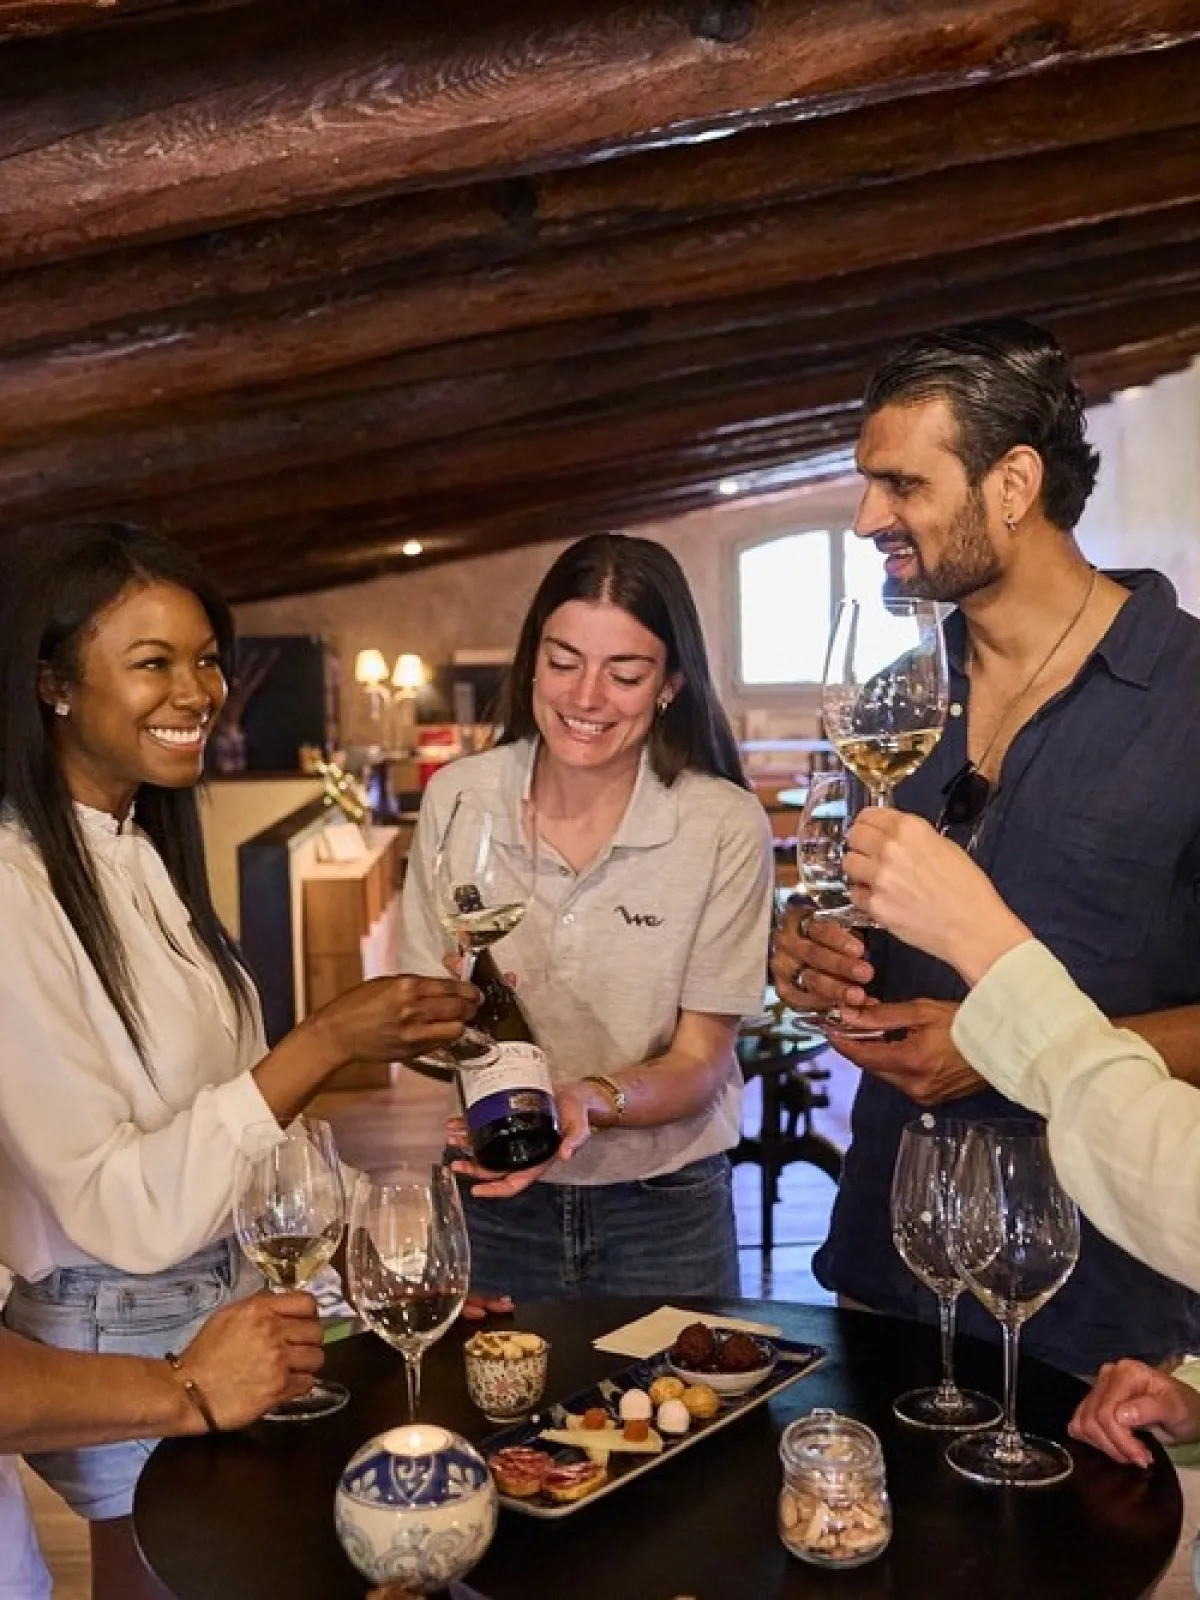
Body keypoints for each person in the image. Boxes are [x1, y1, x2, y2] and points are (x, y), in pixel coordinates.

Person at [0, 522, 479, 1600]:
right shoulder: (15, 886)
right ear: (54, 686)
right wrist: (330, 1041)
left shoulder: (139, 850)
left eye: (207, 655)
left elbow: (228, 1105)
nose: (200, 689)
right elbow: (116, 1203)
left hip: (220, 1289)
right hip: (117, 1325)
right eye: (154, 661)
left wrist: (360, 1226)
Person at [770, 318, 1200, 1377]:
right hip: (886, 1264)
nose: (869, 516)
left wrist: (1004, 1043)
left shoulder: (1188, 696)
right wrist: (808, 960)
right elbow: (848, 913)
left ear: (1013, 483)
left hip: (1095, 1312)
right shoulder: (891, 706)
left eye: (902, 485)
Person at [398, 533, 774, 1301]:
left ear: (669, 682)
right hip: (497, 1194)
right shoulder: (460, 798)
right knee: (502, 1420)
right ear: (533, 658)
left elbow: (700, 1064)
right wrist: (439, 1024)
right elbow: (420, 1030)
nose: (586, 698)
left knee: (687, 1416)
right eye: (564, 662)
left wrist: (581, 1103)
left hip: (665, 1209)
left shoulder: (720, 823)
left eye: (625, 673)